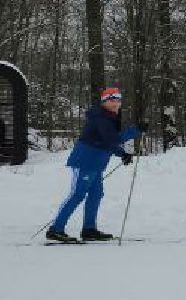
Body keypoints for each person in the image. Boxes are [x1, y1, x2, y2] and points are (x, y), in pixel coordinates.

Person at [47, 87, 140, 244]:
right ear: (104, 102)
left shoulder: (109, 118)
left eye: (118, 100)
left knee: (96, 194)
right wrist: (135, 131)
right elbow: (112, 140)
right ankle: (56, 229)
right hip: (86, 162)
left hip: (96, 164)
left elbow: (106, 143)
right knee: (77, 194)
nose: (116, 103)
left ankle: (89, 229)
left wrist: (122, 154)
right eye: (112, 100)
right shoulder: (100, 118)